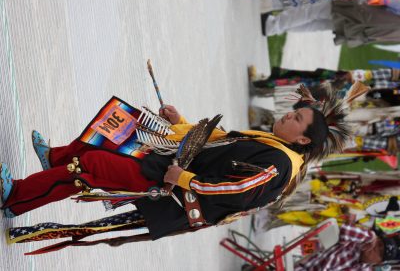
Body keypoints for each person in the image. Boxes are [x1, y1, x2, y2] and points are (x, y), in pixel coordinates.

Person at [0, 93, 348, 254]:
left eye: (297, 119)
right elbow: (218, 144)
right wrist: (179, 123)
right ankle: (52, 162)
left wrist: (182, 179)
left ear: (303, 139)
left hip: (171, 192)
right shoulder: (274, 144)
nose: (289, 116)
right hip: (168, 168)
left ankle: (15, 196)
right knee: (114, 127)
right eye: (295, 112)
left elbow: (235, 189)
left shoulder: (282, 165)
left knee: (87, 169)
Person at [262, 0, 400, 47]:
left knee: (312, 10)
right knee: (319, 23)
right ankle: (276, 27)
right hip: (364, 28)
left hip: (360, 12)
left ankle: (273, 26)